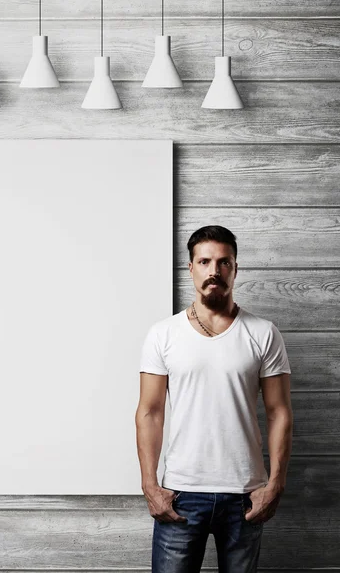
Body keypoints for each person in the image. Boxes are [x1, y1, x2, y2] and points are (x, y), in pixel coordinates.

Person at [136, 225, 293, 573]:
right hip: (180, 493)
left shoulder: (263, 333)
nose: (214, 271)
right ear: (190, 268)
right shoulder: (163, 334)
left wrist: (276, 485)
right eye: (204, 261)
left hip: (245, 495)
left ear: (235, 269)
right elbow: (149, 412)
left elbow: (279, 412)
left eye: (224, 262)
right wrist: (150, 484)